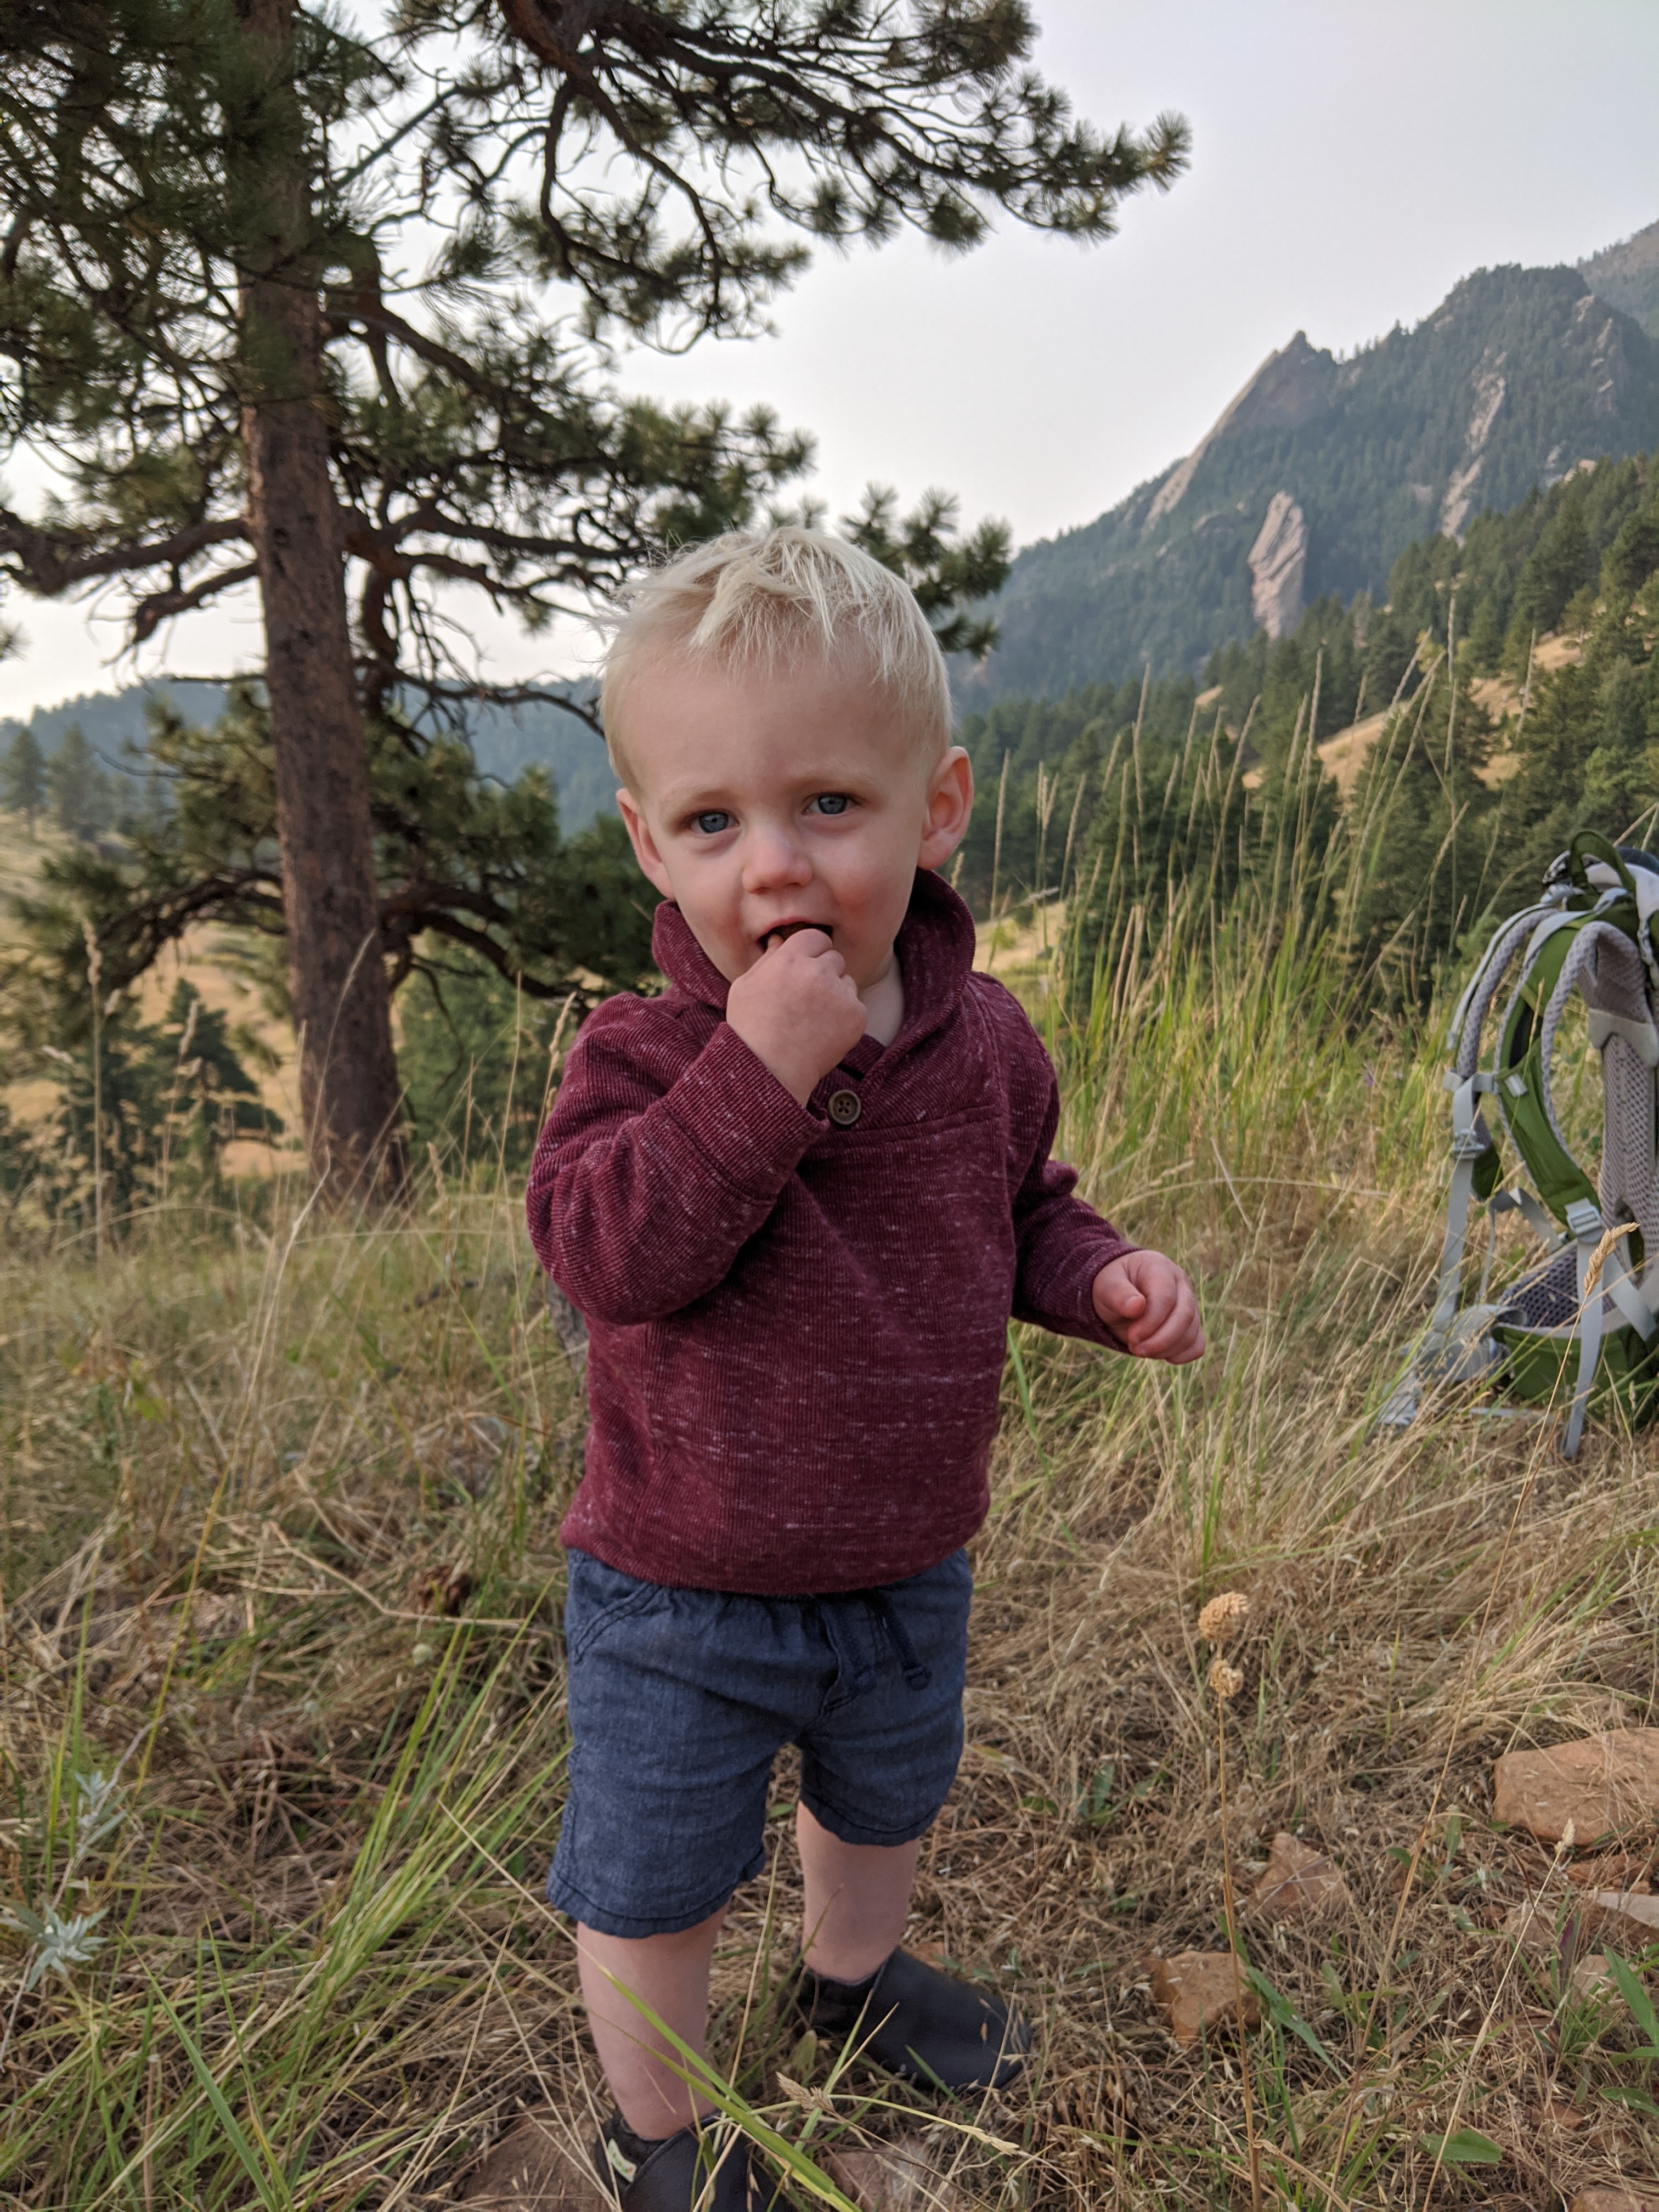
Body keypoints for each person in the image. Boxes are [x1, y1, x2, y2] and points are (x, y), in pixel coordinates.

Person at [525, 527, 1205, 2211]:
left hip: (906, 1561)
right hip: (680, 1584)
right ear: (644, 844)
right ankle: (657, 2138)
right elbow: (603, 1251)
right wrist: (756, 1080)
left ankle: (849, 1986)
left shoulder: (985, 1045)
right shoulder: (648, 1051)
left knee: (884, 1801)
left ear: (938, 809)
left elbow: (1020, 1204)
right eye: (711, 822)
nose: (774, 866)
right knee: (656, 1884)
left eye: (828, 805)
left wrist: (1100, 1272)